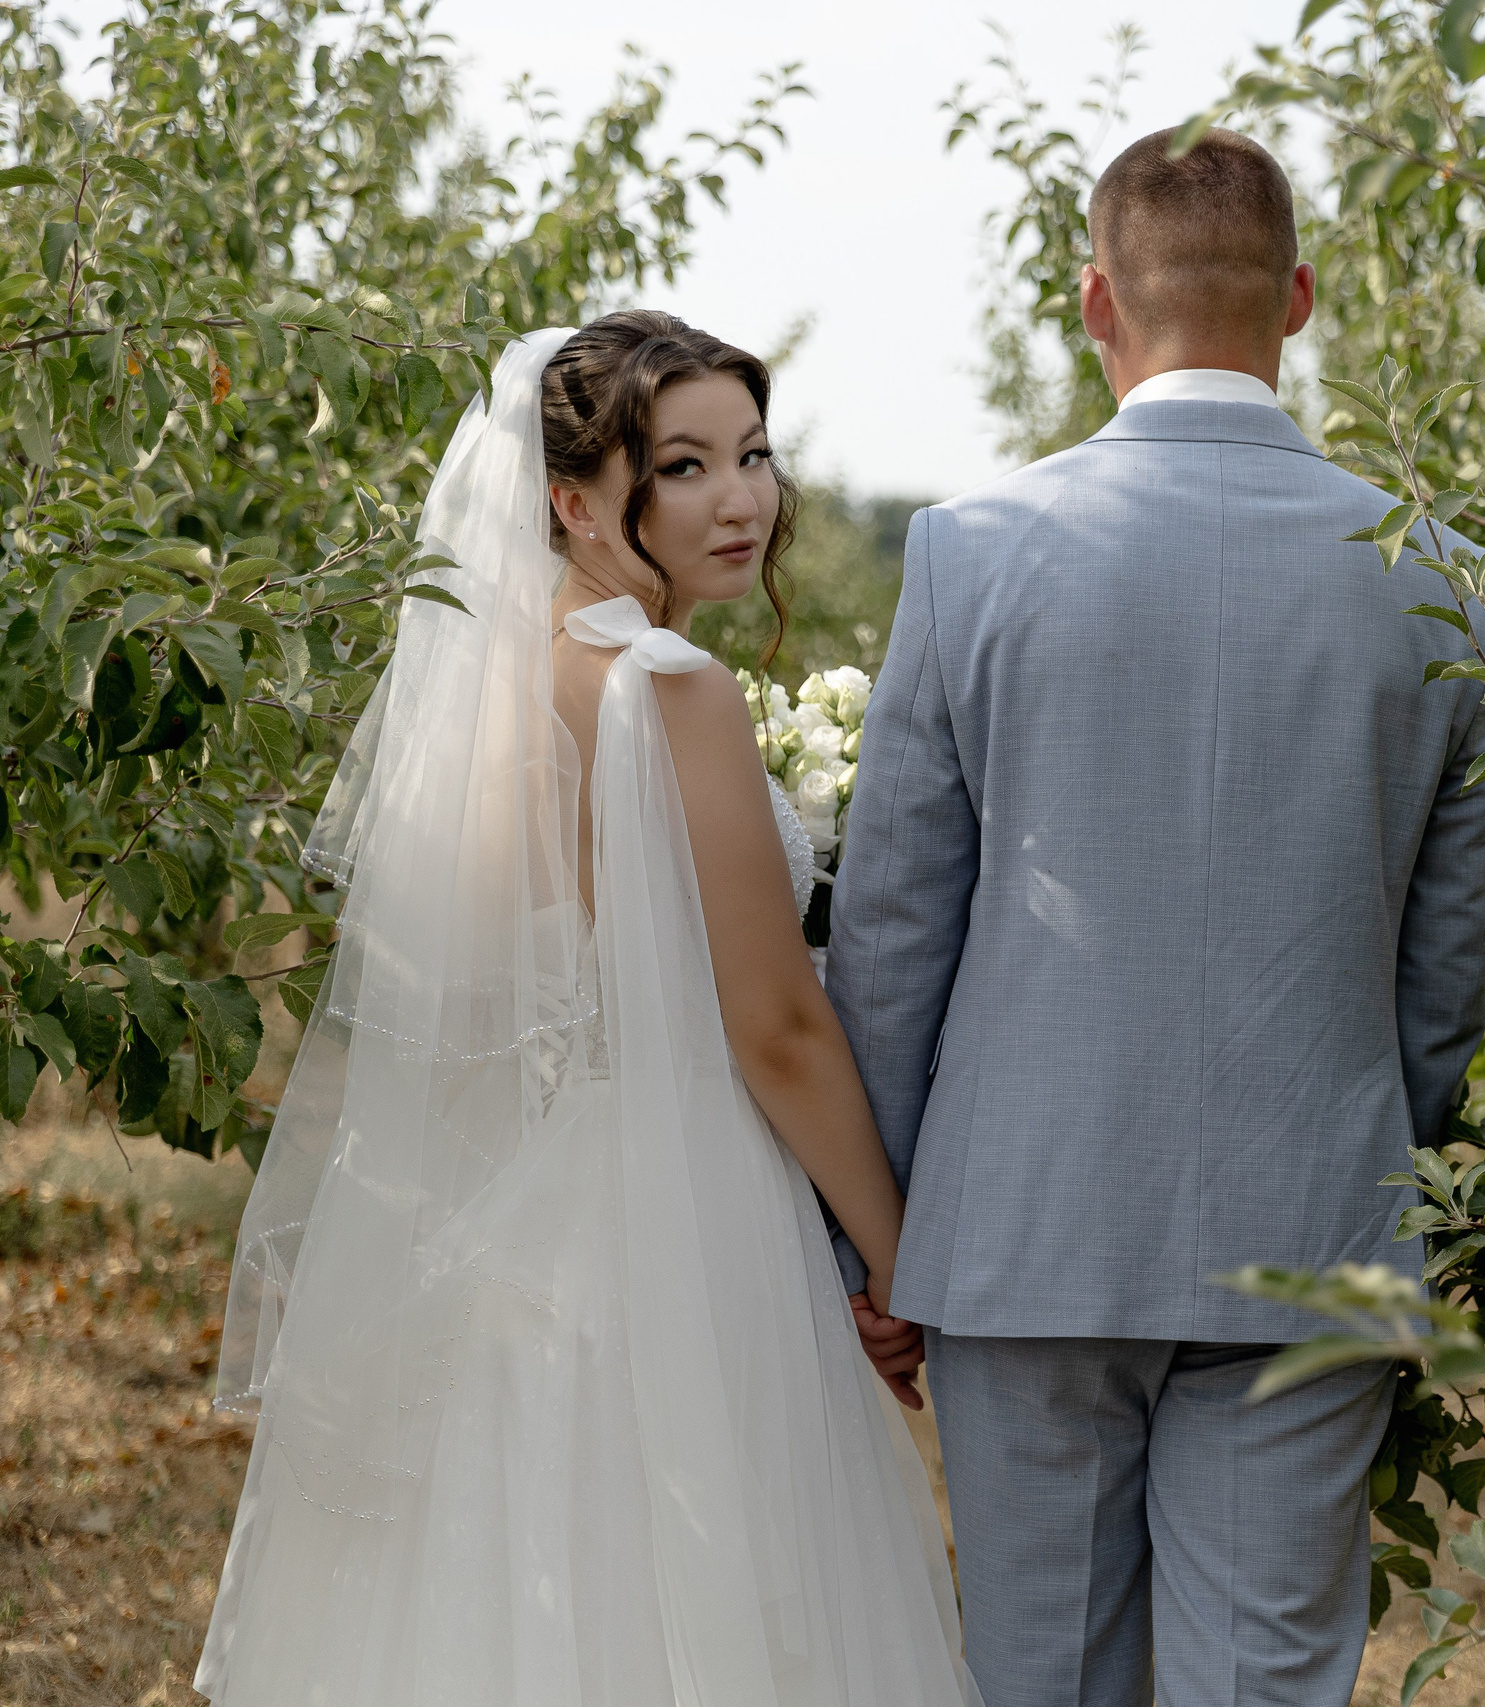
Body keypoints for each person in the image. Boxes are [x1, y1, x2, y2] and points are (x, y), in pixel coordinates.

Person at [196, 315, 979, 1707]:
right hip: (686, 1212)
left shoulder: (487, 689)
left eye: (754, 452)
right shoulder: (670, 690)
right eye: (682, 466)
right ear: (572, 498)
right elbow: (777, 1032)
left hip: (516, 1221)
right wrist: (897, 1255)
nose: (743, 499)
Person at [828, 128, 1485, 1707]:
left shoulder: (968, 554)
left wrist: (883, 1231)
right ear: (1302, 299)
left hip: (1023, 1230)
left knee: (1043, 1678)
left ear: (1091, 302)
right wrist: (1360, 1143)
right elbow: (1444, 975)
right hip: (1313, 1227)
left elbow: (892, 931)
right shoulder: (1446, 583)